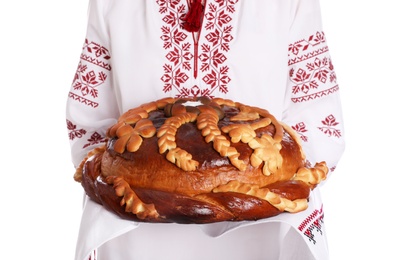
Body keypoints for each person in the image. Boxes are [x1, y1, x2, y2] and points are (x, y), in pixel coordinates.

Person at [66, 0, 345, 259]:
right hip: (135, 229)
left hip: (262, 231)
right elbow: (89, 125)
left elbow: (319, 124)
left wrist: (252, 183)